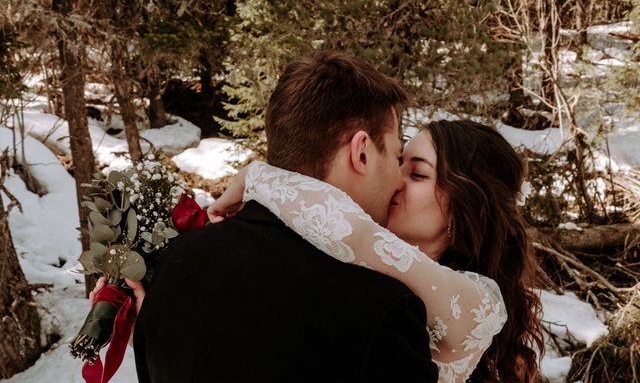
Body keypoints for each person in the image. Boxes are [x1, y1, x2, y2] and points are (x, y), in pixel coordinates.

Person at [130, 51, 440, 382]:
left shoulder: (175, 263)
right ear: (361, 152)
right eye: (395, 155)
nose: (397, 180)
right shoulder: (379, 311)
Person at [210, 120, 545, 382]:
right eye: (399, 163)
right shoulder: (363, 267)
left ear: (467, 208)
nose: (395, 181)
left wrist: (258, 177)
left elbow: (350, 229)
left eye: (417, 173)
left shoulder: (479, 303)